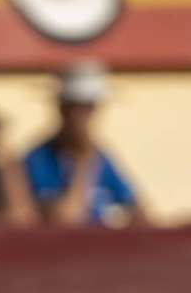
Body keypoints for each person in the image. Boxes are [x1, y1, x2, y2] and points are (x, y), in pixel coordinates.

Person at [22, 62, 145, 227]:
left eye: (89, 108)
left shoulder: (102, 157)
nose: (81, 117)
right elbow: (64, 219)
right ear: (62, 109)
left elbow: (139, 211)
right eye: (74, 107)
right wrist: (84, 161)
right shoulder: (38, 159)